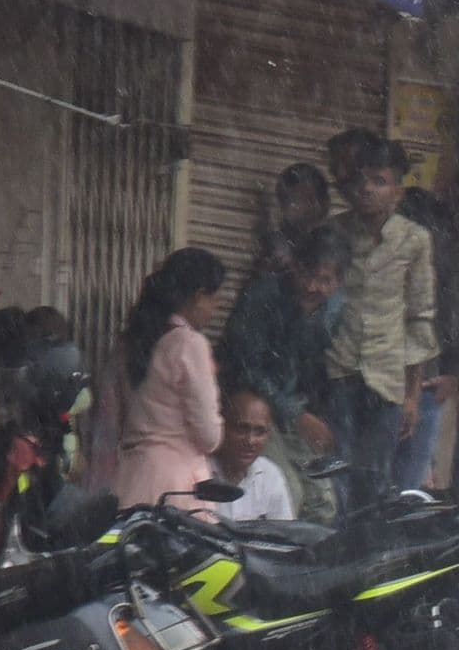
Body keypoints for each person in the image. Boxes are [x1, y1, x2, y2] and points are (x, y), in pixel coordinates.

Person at [324, 136, 439, 505]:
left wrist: (413, 395)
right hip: (338, 374)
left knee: (373, 488)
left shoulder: (414, 240)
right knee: (332, 483)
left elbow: (420, 318)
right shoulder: (335, 232)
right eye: (361, 180)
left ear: (398, 192)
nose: (367, 189)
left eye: (379, 181)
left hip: (386, 381)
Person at [218, 220, 346, 524]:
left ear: (339, 282)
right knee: (287, 493)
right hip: (253, 410)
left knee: (323, 501)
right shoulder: (264, 294)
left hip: (292, 413)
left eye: (326, 280)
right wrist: (298, 415)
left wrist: (313, 417)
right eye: (309, 276)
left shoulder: (331, 310)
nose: (315, 287)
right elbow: (246, 368)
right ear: (296, 268)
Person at [113, 249, 231, 511]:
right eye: (215, 299)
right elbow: (209, 436)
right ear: (199, 296)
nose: (215, 308)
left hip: (132, 477)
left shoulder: (133, 341)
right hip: (176, 487)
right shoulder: (190, 344)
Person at [391, 185, 459, 491]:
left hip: (425, 387)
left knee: (406, 485)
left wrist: (453, 373)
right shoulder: (382, 268)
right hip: (388, 389)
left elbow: (455, 320)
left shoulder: (442, 268)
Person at [209, 389, 297, 523]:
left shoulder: (270, 475)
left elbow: (285, 535)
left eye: (260, 432)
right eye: (241, 429)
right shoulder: (200, 473)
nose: (250, 441)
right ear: (223, 427)